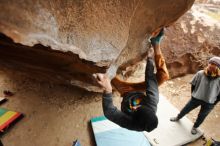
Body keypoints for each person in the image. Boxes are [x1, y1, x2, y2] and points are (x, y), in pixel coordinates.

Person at [94, 28, 169, 132]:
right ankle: (156, 43)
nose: (134, 108)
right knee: (163, 77)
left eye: (135, 111)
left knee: (103, 75)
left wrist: (107, 90)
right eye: (138, 108)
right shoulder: (152, 102)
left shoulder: (132, 123)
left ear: (134, 119)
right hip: (138, 91)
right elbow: (150, 79)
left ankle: (103, 72)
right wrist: (150, 59)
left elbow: (110, 112)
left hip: (126, 91)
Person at [170, 56, 220, 135]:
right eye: (210, 63)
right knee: (186, 109)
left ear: (218, 67)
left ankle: (195, 127)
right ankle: (178, 117)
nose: (211, 65)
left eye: (214, 64)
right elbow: (193, 85)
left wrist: (214, 103)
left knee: (201, 116)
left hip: (209, 102)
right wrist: (193, 94)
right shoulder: (200, 74)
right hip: (196, 98)